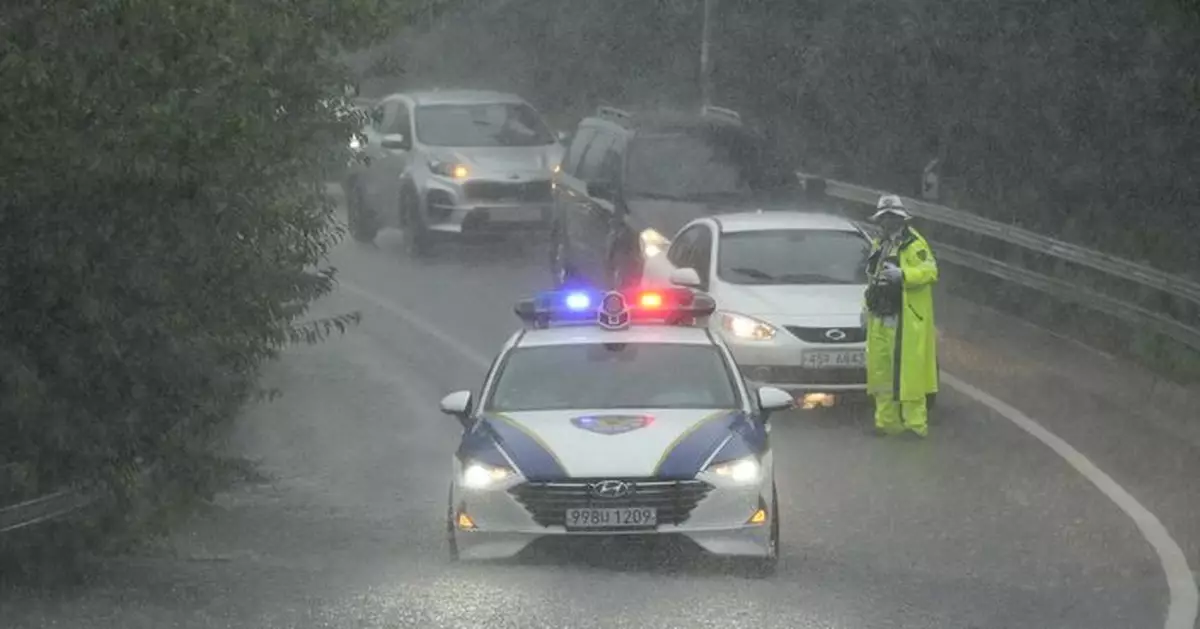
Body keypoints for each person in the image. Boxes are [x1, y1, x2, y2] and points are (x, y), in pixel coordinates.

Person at [863, 195, 939, 437]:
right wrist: (866, 308)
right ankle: (887, 423)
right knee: (882, 374)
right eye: (883, 218)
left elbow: (930, 271)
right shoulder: (879, 244)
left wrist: (903, 275)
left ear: (901, 219)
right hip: (881, 317)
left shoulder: (914, 244)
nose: (887, 222)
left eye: (891, 218)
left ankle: (915, 426)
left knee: (909, 375)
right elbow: (873, 278)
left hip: (906, 320)